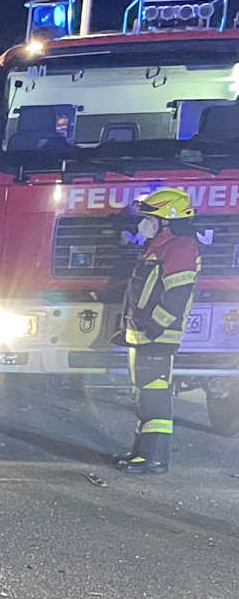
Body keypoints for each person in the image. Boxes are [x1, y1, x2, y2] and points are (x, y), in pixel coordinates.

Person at [112, 188, 201, 475]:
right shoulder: (160, 245)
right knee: (145, 394)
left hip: (160, 336)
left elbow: (177, 294)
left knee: (155, 395)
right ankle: (142, 452)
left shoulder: (180, 247)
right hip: (145, 333)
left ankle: (154, 458)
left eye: (150, 218)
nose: (143, 224)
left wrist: (156, 326)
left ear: (168, 220)